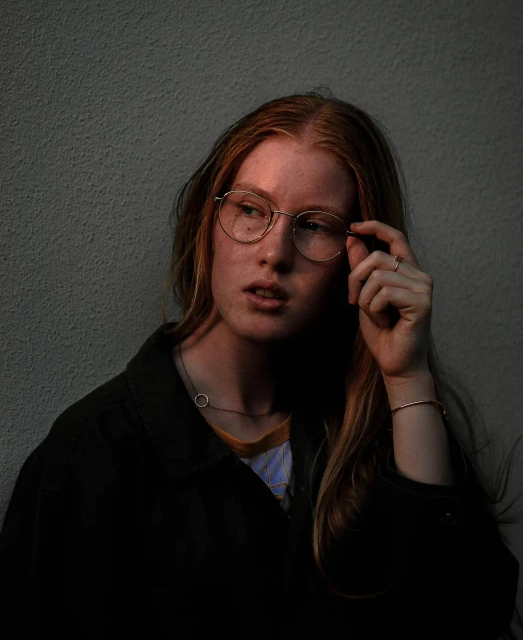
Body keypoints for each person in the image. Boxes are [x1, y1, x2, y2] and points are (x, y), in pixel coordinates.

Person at [0, 92, 520, 640]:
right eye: (250, 209)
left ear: (363, 253)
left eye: (315, 225)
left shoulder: (383, 427)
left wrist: (407, 379)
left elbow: (460, 623)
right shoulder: (95, 452)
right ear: (209, 221)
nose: (274, 252)